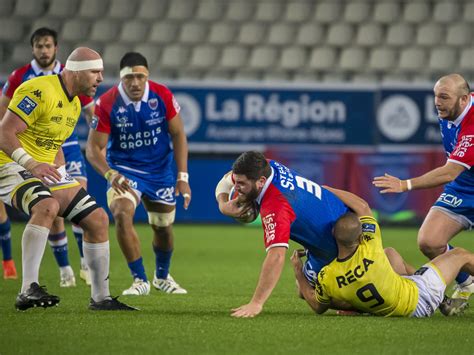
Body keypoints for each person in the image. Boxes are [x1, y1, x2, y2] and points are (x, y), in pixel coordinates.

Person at [0, 47, 134, 311]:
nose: (99, 78)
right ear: (75, 71)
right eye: (95, 72)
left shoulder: (74, 102)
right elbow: (4, 132)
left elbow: (53, 142)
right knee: (46, 206)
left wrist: (59, 172)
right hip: (9, 164)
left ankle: (101, 298)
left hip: (43, 167)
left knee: (97, 219)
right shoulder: (38, 90)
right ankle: (27, 289)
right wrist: (32, 164)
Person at [86, 52, 190, 296]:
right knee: (122, 213)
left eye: (140, 76)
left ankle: (162, 277)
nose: (135, 82)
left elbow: (178, 134)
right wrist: (110, 174)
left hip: (159, 171)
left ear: (147, 76)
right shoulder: (107, 103)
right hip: (124, 169)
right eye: (129, 77)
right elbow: (93, 149)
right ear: (121, 78)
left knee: (163, 227)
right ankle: (139, 279)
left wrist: (182, 178)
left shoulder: (162, 95)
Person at [0, 27, 94, 287]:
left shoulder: (72, 73)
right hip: (28, 144)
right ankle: (64, 269)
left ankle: (86, 261)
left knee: (80, 199)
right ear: (33, 49)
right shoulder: (21, 76)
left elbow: (91, 111)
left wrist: (100, 131)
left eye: (47, 46)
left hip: (65, 144)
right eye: (39, 46)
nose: (43, 50)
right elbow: (3, 116)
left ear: (56, 49)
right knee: (50, 208)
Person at [372, 74, 474, 312]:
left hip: (456, 176)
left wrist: (406, 184)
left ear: (464, 100)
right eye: (436, 95)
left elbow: (448, 173)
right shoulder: (448, 111)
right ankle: (467, 281)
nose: (437, 102)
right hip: (463, 186)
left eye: (444, 97)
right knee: (429, 241)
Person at [291, 186, 472, 317]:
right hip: (421, 296)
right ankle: (441, 299)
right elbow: (362, 206)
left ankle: (358, 309)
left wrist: (299, 271)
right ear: (361, 238)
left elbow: (316, 305)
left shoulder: (327, 275)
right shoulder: (370, 245)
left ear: (333, 235)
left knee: (390, 254)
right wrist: (321, 189)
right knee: (460, 255)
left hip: (391, 304)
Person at [215, 151, 350, 318]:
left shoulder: (276, 205)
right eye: (237, 182)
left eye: (242, 184)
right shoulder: (266, 166)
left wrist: (256, 303)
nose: (236, 187)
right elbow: (227, 179)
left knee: (307, 292)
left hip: (339, 248)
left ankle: (355, 302)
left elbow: (277, 256)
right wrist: (222, 204)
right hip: (343, 218)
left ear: (260, 182)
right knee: (304, 287)